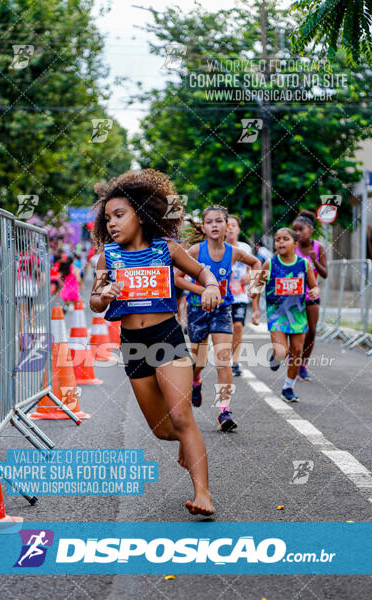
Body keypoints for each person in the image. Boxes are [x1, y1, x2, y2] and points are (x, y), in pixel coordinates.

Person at [89, 169, 220, 516]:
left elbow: (202, 272)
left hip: (166, 337)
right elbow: (94, 301)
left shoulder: (167, 249)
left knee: (181, 416)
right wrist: (104, 293)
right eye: (108, 218)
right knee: (164, 431)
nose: (113, 224)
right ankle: (183, 442)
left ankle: (203, 493)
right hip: (133, 343)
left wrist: (211, 286)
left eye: (120, 215)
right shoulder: (108, 257)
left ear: (142, 214)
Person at [175, 206, 261, 431]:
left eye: (219, 221)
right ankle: (196, 381)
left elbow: (256, 263)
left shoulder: (234, 252)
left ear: (227, 226)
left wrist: (254, 287)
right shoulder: (194, 251)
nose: (214, 225)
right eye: (210, 221)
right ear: (203, 227)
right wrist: (201, 290)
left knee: (223, 359)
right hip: (197, 309)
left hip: (223, 308)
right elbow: (176, 278)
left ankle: (224, 411)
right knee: (199, 361)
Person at [253, 228, 319, 402]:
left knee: (297, 351)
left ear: (295, 244)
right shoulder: (270, 264)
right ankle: (277, 356)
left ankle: (288, 387)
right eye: (277, 239)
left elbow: (314, 286)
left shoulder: (304, 264)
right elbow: (256, 288)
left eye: (285, 239)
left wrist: (314, 292)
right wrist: (256, 309)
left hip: (298, 316)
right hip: (277, 316)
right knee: (283, 351)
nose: (280, 242)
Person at [293, 210, 327, 381]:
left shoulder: (317, 247)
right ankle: (292, 358)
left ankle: (302, 365)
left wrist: (315, 261)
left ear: (311, 229)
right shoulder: (291, 246)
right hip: (292, 296)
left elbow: (325, 273)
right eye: (295, 230)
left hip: (311, 295)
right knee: (297, 331)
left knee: (312, 331)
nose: (298, 234)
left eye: (301, 230)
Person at [226, 214, 260, 377]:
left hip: (239, 296)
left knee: (237, 326)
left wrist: (250, 278)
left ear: (239, 229)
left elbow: (253, 269)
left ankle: (235, 361)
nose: (230, 228)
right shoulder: (218, 247)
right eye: (228, 225)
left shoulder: (245, 248)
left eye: (234, 225)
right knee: (224, 330)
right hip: (221, 296)